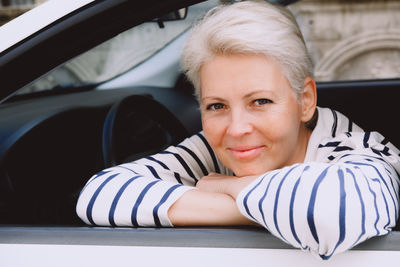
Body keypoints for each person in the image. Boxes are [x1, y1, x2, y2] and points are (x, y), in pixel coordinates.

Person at [76, 0, 400, 260]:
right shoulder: (212, 148)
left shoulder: (361, 150)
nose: (237, 128)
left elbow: (333, 213)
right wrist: (257, 206)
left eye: (260, 101)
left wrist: (229, 187)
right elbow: (98, 195)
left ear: (305, 101)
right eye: (216, 105)